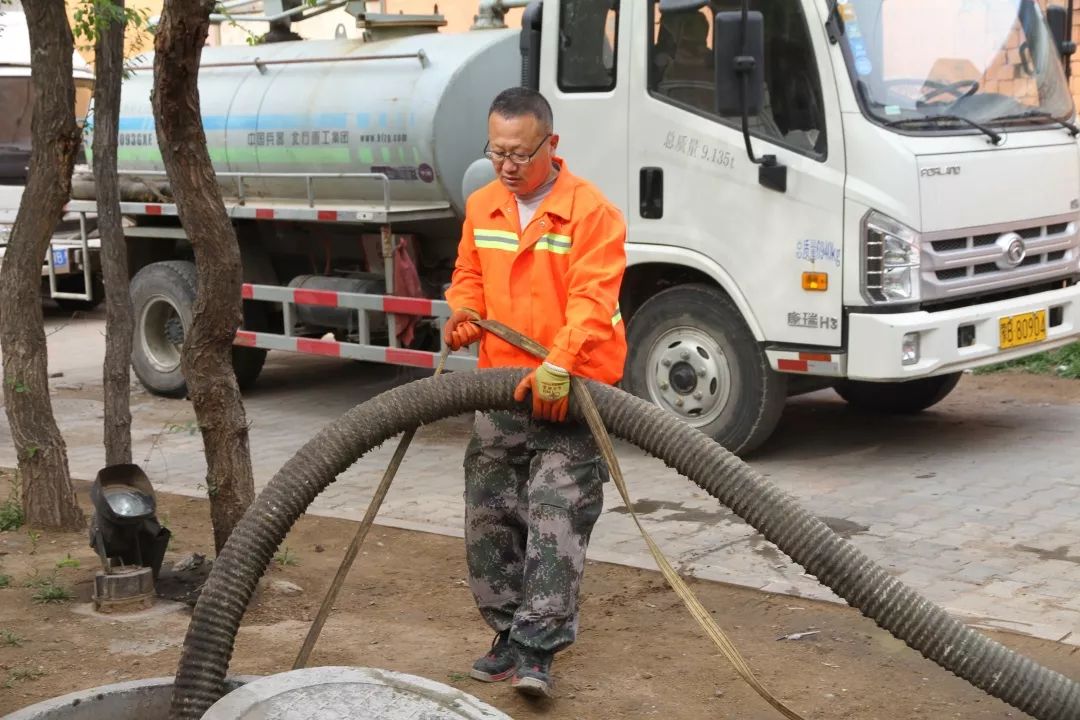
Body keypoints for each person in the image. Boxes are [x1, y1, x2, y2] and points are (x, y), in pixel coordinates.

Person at [442, 86, 627, 699]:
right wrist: (465, 310)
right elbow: (469, 273)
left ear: (552, 144)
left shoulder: (590, 212)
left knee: (555, 512)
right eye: (497, 153)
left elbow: (593, 299)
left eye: (520, 153)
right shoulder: (483, 206)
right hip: (502, 385)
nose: (508, 166)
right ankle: (507, 636)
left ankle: (538, 652)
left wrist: (562, 363)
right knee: (490, 511)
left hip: (571, 387)